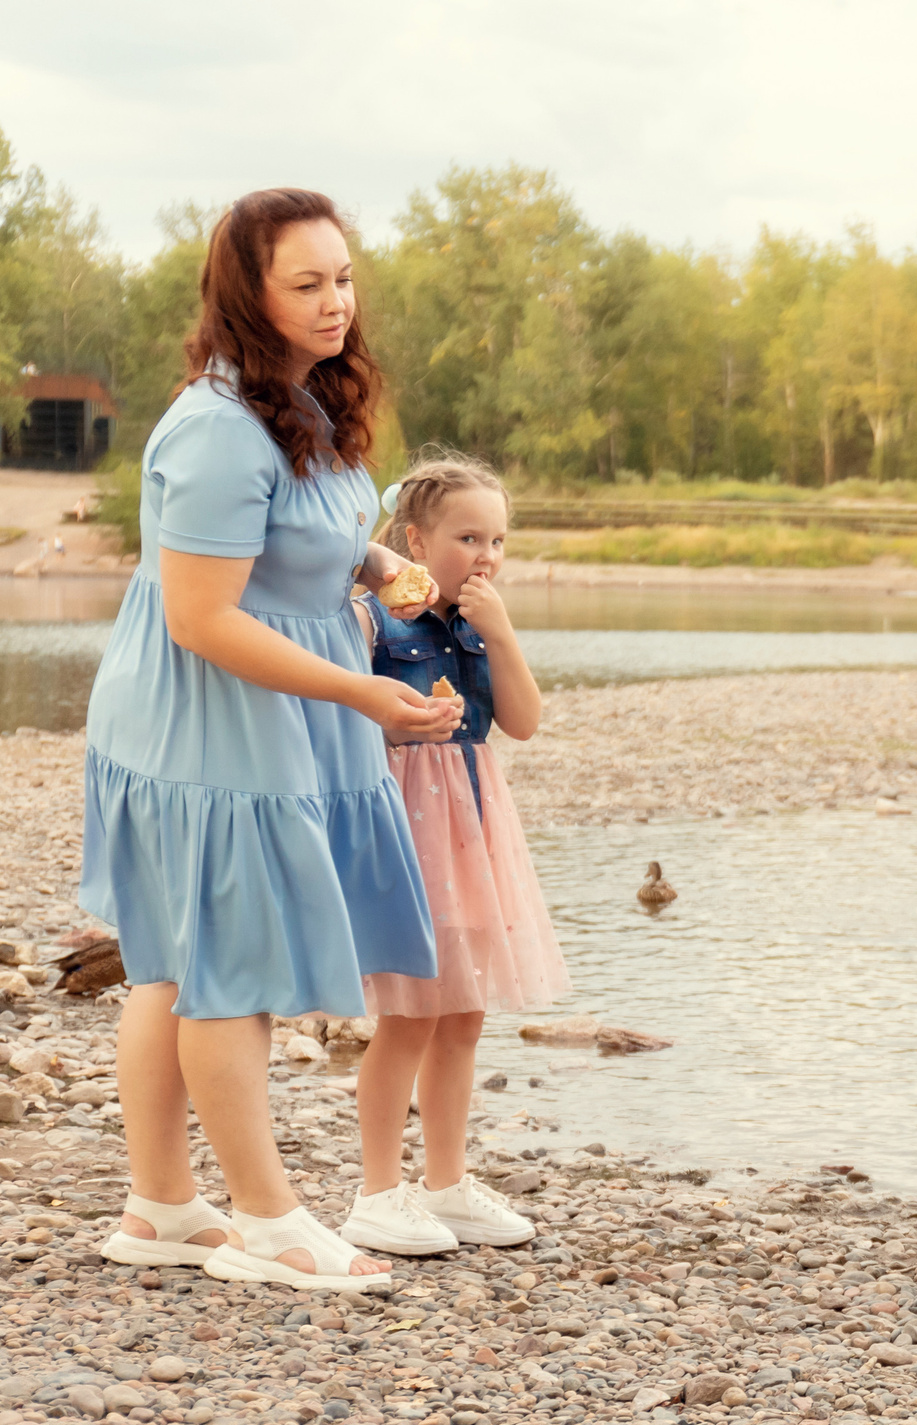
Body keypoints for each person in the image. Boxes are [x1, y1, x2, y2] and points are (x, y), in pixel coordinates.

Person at [82, 188, 460, 1293]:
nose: (335, 301)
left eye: (342, 278)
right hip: (206, 721)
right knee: (225, 967)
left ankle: (160, 1209)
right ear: (247, 295)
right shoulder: (214, 430)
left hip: (264, 710)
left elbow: (309, 537)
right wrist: (363, 693)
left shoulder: (301, 400)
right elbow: (201, 620)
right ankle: (266, 1222)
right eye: (306, 284)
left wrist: (377, 563)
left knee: (172, 958)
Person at [339, 454, 566, 1255]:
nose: (486, 555)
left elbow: (525, 721)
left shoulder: (480, 622)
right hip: (404, 818)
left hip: (474, 823)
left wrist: (501, 632)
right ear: (412, 537)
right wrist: (390, 723)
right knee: (409, 1011)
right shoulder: (374, 618)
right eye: (467, 536)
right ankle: (376, 1189)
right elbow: (333, 716)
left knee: (463, 1013)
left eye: (498, 539)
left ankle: (445, 1180)